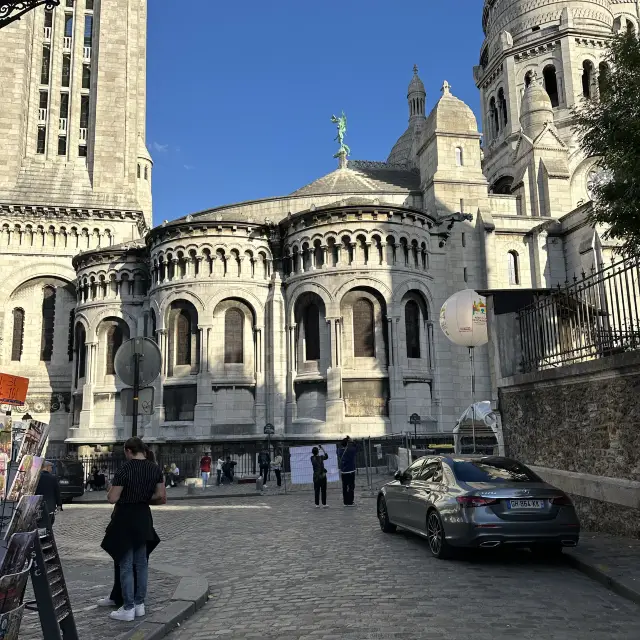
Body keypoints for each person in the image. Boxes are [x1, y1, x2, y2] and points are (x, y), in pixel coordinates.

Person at [101, 437, 166, 622]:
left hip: (125, 517)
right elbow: (160, 495)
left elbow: (113, 498)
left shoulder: (125, 469)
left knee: (126, 564)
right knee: (142, 563)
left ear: (128, 451)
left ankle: (128, 607)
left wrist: (110, 490)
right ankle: (139, 604)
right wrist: (144, 498)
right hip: (143, 517)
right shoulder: (154, 468)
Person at [35, 460, 62, 525]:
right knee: (49, 523)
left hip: (37, 504)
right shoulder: (52, 478)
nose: (51, 469)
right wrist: (59, 505)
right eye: (51, 467)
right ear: (46, 467)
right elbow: (57, 492)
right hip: (50, 506)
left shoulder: (36, 477)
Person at [339, 436, 357, 506]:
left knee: (344, 487)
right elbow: (357, 448)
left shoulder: (339, 450)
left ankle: (345, 502)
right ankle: (350, 501)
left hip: (343, 471)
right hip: (350, 471)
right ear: (347, 444)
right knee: (351, 486)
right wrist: (352, 441)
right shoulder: (350, 450)